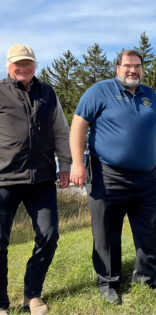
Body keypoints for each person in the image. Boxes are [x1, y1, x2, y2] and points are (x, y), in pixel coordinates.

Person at [69, 49, 156, 304]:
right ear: (117, 68)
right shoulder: (99, 91)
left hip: (146, 176)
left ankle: (146, 276)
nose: (133, 70)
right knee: (106, 231)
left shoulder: (150, 95)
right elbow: (78, 125)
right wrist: (77, 163)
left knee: (152, 222)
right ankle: (108, 282)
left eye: (137, 66)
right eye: (128, 65)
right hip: (108, 174)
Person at [0, 44, 71, 315]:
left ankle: (33, 294)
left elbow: (62, 132)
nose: (23, 67)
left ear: (35, 65)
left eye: (28, 63)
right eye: (18, 63)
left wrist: (64, 165)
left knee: (49, 235)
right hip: (4, 180)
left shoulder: (48, 93)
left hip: (41, 179)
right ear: (8, 65)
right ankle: (1, 302)